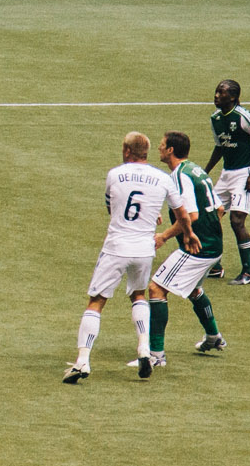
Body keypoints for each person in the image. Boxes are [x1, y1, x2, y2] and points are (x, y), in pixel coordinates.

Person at [64, 132, 195, 384]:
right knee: (138, 295)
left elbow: (112, 208)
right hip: (144, 250)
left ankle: (82, 361)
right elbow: (183, 214)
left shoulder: (115, 174)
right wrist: (188, 234)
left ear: (126, 151)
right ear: (145, 153)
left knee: (96, 301)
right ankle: (144, 350)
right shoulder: (164, 178)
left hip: (116, 247)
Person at [138, 132, 228, 377]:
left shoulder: (180, 175)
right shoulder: (195, 170)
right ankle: (214, 336)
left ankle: (156, 355)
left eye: (162, 144)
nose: (159, 147)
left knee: (156, 289)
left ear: (170, 150)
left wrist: (165, 236)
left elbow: (191, 216)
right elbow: (219, 209)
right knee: (193, 289)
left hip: (198, 249)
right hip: (213, 246)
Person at [206, 79, 250, 286]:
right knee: (210, 215)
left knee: (236, 221)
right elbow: (220, 147)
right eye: (216, 91)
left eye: (221, 93)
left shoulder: (244, 116)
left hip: (245, 174)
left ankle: (248, 273)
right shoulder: (216, 118)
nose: (216, 95)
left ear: (232, 97)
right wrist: (205, 171)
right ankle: (215, 266)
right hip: (227, 174)